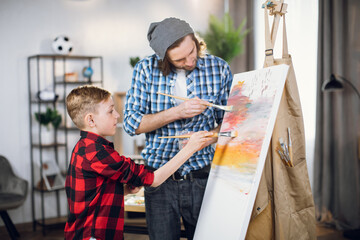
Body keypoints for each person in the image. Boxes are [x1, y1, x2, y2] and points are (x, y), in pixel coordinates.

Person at [123, 17, 233, 240]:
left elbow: (230, 123)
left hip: (202, 177)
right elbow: (131, 124)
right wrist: (177, 112)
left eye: (191, 51)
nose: (190, 61)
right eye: (180, 60)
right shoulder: (145, 70)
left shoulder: (219, 68)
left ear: (194, 39)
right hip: (160, 178)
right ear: (164, 59)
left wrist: (207, 138)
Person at [64, 85, 212, 240]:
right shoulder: (97, 153)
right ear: (91, 120)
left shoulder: (84, 147)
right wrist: (191, 148)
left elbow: (95, 195)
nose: (117, 115)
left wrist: (124, 190)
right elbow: (153, 180)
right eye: (110, 111)